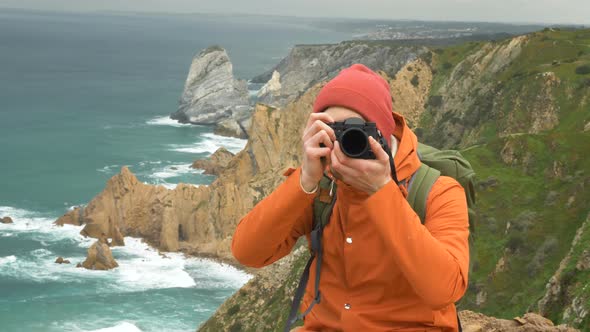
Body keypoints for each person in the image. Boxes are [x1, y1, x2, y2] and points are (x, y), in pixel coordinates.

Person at [232, 64, 469, 332]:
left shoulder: (438, 192)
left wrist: (381, 191)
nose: (345, 144)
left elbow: (444, 290)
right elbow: (248, 252)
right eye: (334, 132)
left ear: (381, 134)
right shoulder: (322, 187)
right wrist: (305, 179)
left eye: (356, 132)